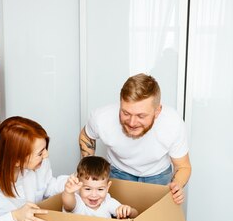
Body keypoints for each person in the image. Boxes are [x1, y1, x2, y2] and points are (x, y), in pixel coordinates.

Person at [79, 73, 191, 205]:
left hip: (158, 175)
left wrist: (177, 185)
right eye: (126, 113)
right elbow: (86, 136)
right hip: (118, 172)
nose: (132, 122)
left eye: (141, 116)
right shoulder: (102, 117)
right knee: (115, 220)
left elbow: (183, 166)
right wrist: (87, 171)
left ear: (157, 111)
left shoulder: (173, 123)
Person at [62, 156, 138, 219]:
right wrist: (68, 192)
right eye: (88, 189)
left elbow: (135, 215)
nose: (94, 195)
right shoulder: (77, 201)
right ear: (79, 186)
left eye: (100, 189)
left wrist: (129, 211)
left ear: (108, 187)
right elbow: (68, 204)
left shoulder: (108, 202)